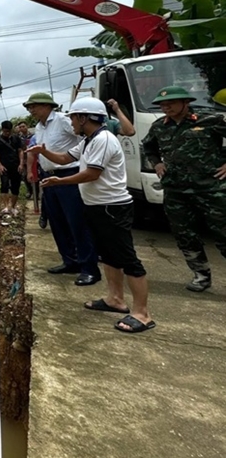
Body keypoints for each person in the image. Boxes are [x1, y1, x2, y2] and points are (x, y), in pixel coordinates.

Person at [29, 97, 154, 333]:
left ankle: (142, 313)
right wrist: (44, 152)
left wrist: (59, 180)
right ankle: (115, 299)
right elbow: (66, 158)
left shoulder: (104, 140)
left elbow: (91, 174)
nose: (72, 122)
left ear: (85, 118)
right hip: (96, 205)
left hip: (112, 207)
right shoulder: (88, 141)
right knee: (108, 256)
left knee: (127, 258)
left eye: (74, 117)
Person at [141, 85, 226, 292]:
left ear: (186, 103)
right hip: (176, 191)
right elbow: (148, 146)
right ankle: (201, 275)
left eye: (170, 103)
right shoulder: (159, 126)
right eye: (162, 104)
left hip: (210, 188)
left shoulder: (210, 120)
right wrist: (157, 163)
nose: (165, 107)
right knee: (185, 235)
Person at [24, 92, 100, 286]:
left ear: (48, 106)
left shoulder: (63, 121)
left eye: (34, 106)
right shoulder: (39, 128)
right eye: (29, 107)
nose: (31, 110)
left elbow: (84, 137)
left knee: (77, 222)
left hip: (69, 174)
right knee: (57, 222)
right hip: (49, 176)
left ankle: (89, 267)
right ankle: (70, 261)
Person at [0, 120, 24, 215]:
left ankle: (13, 206)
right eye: (5, 131)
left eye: (9, 131)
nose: (7, 133)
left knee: (15, 187)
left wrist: (21, 164)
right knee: (4, 185)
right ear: (2, 130)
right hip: (4, 167)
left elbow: (20, 151)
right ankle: (6, 206)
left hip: (16, 166)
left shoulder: (16, 139)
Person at [17, 122, 35, 198]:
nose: (22, 128)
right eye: (20, 127)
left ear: (27, 126)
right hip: (23, 159)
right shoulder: (18, 138)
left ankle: (36, 193)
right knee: (24, 176)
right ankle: (29, 191)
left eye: (23, 126)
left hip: (33, 158)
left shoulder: (33, 136)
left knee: (34, 175)